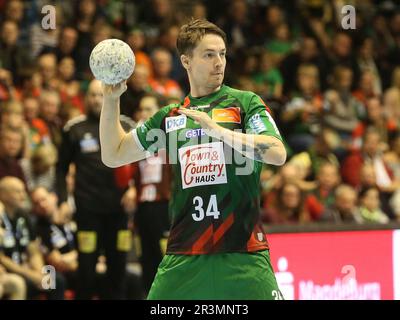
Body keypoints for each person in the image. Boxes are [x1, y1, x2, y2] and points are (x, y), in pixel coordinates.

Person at [100, 19, 286, 300]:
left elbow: (277, 152)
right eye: (209, 55)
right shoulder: (171, 117)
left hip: (243, 253)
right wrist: (111, 100)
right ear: (186, 61)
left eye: (222, 54)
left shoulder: (244, 103)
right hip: (185, 256)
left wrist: (220, 132)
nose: (219, 62)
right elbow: (114, 154)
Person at [56, 79, 136, 300]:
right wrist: (63, 200)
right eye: (92, 95)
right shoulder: (74, 128)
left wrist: (134, 188)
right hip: (87, 209)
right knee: (87, 266)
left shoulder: (127, 125)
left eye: (100, 94)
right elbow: (60, 169)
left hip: (118, 210)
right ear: (85, 98)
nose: (96, 99)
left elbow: (142, 163)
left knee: (118, 264)